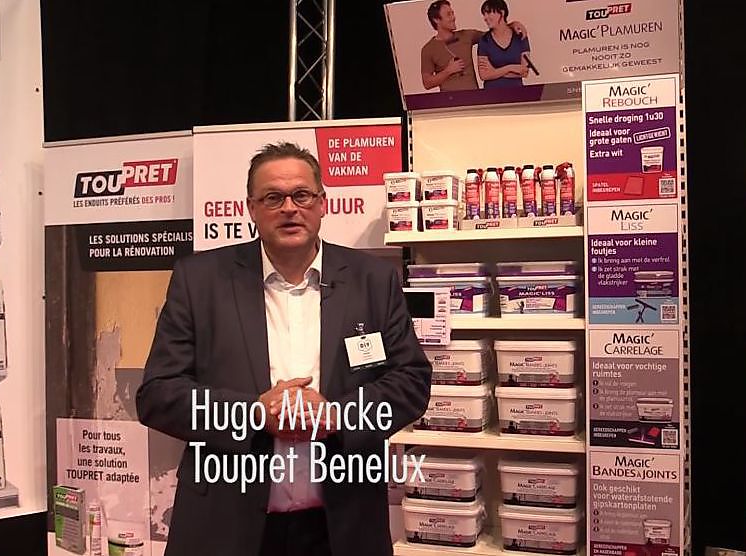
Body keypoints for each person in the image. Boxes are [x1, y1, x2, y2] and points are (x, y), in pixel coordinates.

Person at [136, 141, 432, 556]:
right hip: (226, 528)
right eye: (273, 197)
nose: (289, 208)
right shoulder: (199, 280)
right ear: (251, 208)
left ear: (323, 203)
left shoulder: (373, 280)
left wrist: (337, 415)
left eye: (302, 195)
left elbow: (411, 382)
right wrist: (252, 413)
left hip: (342, 529)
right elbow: (158, 395)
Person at [420, 0, 527, 91]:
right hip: (449, 101)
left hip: (474, 98)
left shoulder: (467, 35)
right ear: (436, 20)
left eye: (452, 13)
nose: (453, 17)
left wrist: (512, 24)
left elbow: (494, 34)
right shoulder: (428, 49)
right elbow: (427, 83)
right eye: (448, 14)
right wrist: (448, 71)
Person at [476, 0, 531, 89]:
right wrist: (510, 68)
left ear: (502, 13)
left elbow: (524, 71)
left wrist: (494, 71)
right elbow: (484, 75)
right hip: (491, 92)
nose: (485, 18)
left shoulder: (520, 37)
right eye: (484, 14)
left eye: (489, 13)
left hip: (517, 91)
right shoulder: (484, 40)